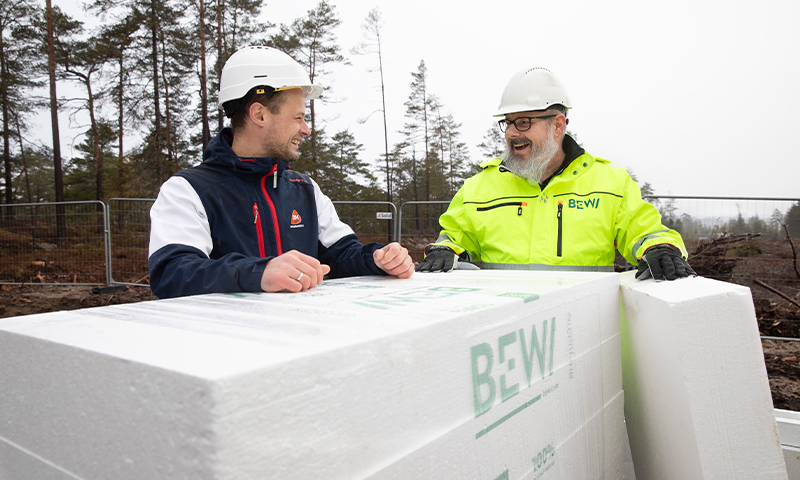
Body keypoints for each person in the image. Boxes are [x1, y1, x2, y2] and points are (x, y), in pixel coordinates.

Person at [148, 46, 414, 299]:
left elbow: (341, 255)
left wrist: (379, 259)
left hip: (299, 330)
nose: (306, 129)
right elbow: (172, 272)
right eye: (298, 117)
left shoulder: (304, 188)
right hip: (225, 331)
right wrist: (259, 273)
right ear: (259, 115)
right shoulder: (187, 190)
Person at [416, 67, 695, 281]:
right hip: (505, 325)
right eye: (508, 123)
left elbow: (645, 230)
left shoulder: (611, 184)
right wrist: (445, 250)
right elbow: (454, 236)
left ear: (558, 125)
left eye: (523, 122)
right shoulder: (479, 188)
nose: (511, 132)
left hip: (584, 323)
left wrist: (660, 247)